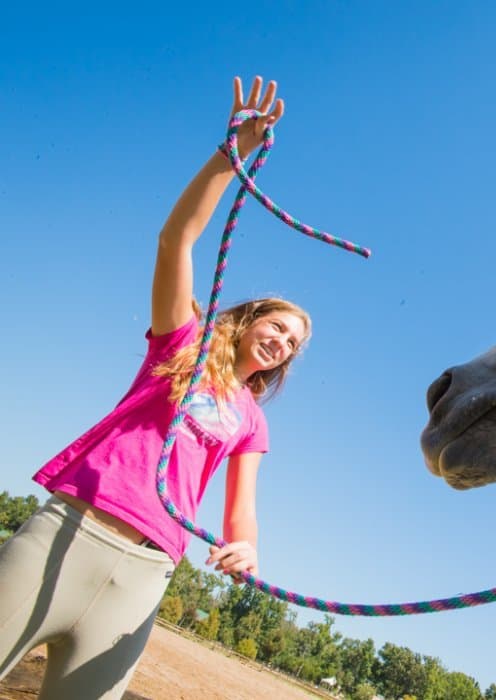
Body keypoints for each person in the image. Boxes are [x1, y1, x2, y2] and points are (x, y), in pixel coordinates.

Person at [0, 75, 309, 698]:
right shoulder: (181, 342)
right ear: (250, 318)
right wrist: (233, 154)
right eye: (278, 326)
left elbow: (241, 510)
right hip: (69, 532)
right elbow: (176, 239)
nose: (282, 342)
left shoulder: (253, 421)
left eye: (293, 344)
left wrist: (246, 548)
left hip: (146, 574)